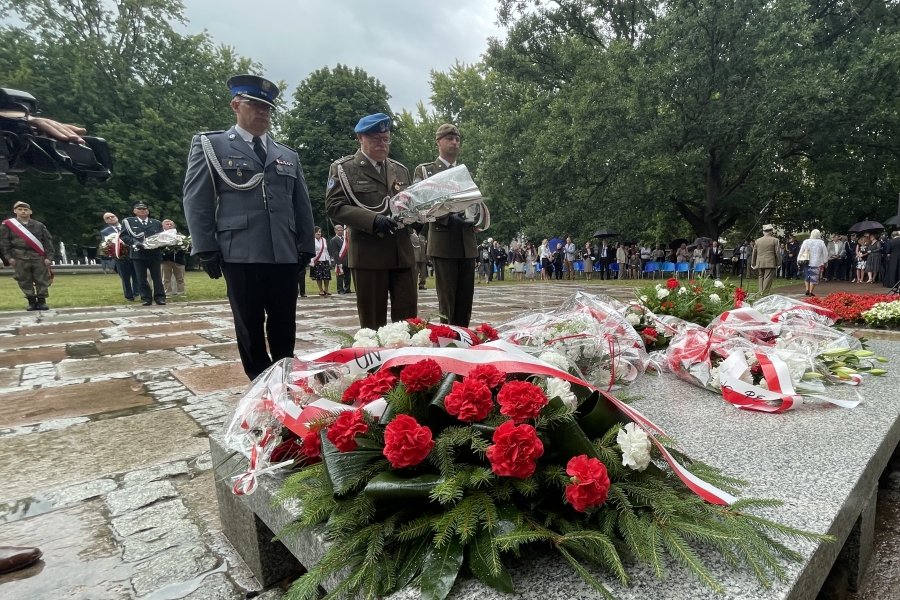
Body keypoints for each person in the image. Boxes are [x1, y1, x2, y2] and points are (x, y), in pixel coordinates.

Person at [183, 74, 315, 379]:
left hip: (283, 250)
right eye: (255, 105)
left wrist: (305, 246)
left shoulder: (287, 155)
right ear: (236, 105)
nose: (263, 112)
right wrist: (205, 246)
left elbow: (301, 204)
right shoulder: (210, 145)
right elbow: (197, 199)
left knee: (285, 322)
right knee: (249, 324)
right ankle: (259, 382)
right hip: (240, 251)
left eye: (267, 107)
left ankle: (284, 378)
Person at [326, 112, 415, 329]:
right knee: (373, 325)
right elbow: (334, 207)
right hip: (369, 255)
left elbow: (411, 204)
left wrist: (421, 216)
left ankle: (405, 363)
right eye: (376, 138)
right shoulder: (344, 169)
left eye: (386, 139)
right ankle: (377, 363)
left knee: (408, 324)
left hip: (401, 254)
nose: (382, 144)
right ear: (360, 138)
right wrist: (373, 219)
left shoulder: (400, 169)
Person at [414, 124, 477, 324]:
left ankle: (464, 342)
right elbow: (420, 203)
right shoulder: (427, 171)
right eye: (449, 138)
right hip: (444, 241)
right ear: (438, 142)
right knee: (447, 303)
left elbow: (474, 202)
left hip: (466, 242)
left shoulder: (463, 172)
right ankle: (449, 342)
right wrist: (447, 217)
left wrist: (476, 217)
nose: (454, 142)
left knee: (465, 302)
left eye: (457, 139)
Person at [0, 201, 54, 310]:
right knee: (24, 279)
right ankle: (31, 301)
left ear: (30, 211)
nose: (23, 211)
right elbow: (5, 242)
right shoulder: (8, 226)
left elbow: (47, 241)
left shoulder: (39, 225)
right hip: (19, 256)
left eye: (25, 209)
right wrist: (8, 257)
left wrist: (49, 257)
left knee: (41, 279)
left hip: (38, 256)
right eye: (20, 209)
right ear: (15, 211)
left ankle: (42, 301)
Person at [120, 201, 165, 306]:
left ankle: (160, 298)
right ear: (135, 211)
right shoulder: (129, 222)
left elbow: (161, 236)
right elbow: (124, 236)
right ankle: (146, 298)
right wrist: (134, 242)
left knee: (157, 277)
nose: (142, 211)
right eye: (139, 209)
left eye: (144, 209)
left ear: (148, 211)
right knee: (141, 278)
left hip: (154, 253)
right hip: (138, 253)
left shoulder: (156, 223)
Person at [101, 212, 140, 301]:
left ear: (116, 217)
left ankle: (137, 293)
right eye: (108, 218)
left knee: (137, 275)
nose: (111, 218)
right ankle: (129, 296)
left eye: (112, 216)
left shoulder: (127, 227)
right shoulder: (105, 232)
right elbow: (106, 245)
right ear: (106, 221)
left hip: (133, 254)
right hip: (120, 257)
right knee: (125, 277)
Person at [160, 219, 187, 298]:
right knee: (166, 279)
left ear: (174, 226)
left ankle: (181, 293)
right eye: (167, 224)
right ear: (163, 226)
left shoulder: (180, 236)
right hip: (165, 260)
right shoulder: (160, 236)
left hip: (179, 260)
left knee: (180, 278)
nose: (169, 226)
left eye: (171, 224)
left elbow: (186, 246)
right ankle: (168, 293)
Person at [751, 224, 781, 295]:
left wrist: (753, 263)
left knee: (760, 277)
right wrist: (779, 263)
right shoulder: (775, 240)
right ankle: (764, 294)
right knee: (767, 278)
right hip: (770, 262)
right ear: (771, 232)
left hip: (760, 261)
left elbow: (754, 252)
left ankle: (760, 292)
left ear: (763, 232)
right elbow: (777, 253)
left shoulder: (757, 240)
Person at [798, 229, 829, 296]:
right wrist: (825, 261)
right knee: (814, 277)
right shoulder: (821, 242)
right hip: (816, 262)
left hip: (806, 261)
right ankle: (811, 292)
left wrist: (798, 260)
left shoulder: (806, 241)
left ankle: (807, 289)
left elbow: (801, 251)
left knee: (807, 275)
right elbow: (825, 253)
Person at [328, 224, 351, 294]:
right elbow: (335, 252)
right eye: (339, 230)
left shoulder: (345, 239)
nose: (341, 231)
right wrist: (338, 262)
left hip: (347, 260)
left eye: (342, 230)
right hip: (340, 260)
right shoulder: (334, 240)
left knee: (348, 276)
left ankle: (347, 288)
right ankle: (340, 289)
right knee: (340, 276)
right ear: (335, 231)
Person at [309, 226, 332, 296]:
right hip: (317, 260)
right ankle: (321, 290)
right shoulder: (312, 240)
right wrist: (312, 261)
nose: (319, 233)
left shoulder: (323, 240)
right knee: (319, 276)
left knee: (326, 276)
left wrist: (329, 259)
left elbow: (326, 250)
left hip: (325, 259)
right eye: (317, 232)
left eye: (320, 232)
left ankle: (326, 289)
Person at [410, 225, 428, 290]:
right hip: (415, 258)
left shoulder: (423, 238)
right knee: (414, 273)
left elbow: (426, 248)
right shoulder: (411, 237)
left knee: (423, 273)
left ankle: (422, 285)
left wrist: (427, 257)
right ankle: (413, 285)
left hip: (423, 258)